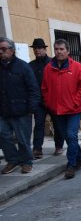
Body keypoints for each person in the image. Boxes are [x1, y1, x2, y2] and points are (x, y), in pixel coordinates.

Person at [42, 39, 81, 179]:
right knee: (69, 138)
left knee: (71, 135)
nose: (58, 51)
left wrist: (75, 102)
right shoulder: (48, 68)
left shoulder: (77, 67)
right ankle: (79, 159)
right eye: (56, 49)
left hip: (74, 110)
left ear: (68, 51)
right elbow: (45, 88)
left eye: (62, 49)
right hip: (57, 110)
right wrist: (49, 103)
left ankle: (71, 164)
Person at [0, 37, 40, 174]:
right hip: (3, 110)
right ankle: (12, 160)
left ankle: (27, 161)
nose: (1, 52)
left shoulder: (23, 66)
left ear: (12, 50)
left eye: (4, 49)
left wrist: (31, 109)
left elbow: (33, 89)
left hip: (21, 110)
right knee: (3, 135)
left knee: (23, 139)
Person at [29, 38, 64, 159]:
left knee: (57, 124)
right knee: (38, 125)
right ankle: (37, 149)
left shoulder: (52, 63)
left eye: (39, 48)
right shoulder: (30, 65)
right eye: (35, 48)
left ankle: (59, 146)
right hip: (39, 101)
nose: (37, 51)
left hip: (53, 99)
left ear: (44, 49)